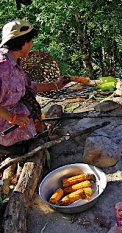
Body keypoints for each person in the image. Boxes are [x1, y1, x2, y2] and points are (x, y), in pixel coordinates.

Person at [0, 19, 71, 148]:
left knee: (30, 101)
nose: (32, 44)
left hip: (12, 113)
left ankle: (34, 130)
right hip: (3, 127)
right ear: (23, 42)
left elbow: (29, 86)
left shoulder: (15, 61)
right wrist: (12, 117)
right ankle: (15, 145)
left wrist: (56, 85)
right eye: (31, 41)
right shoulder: (3, 67)